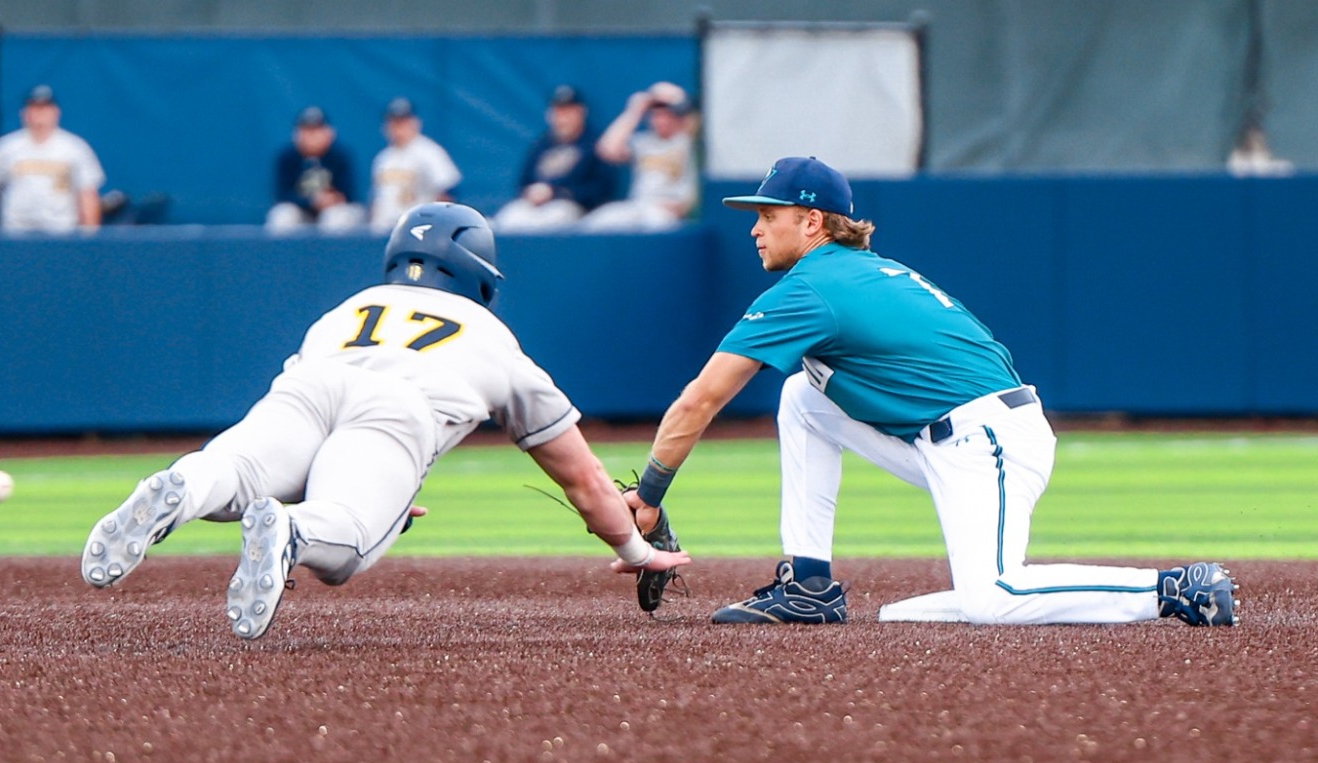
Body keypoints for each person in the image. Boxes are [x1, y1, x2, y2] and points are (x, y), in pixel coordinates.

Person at [623, 156, 1237, 627]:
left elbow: (700, 399)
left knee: (994, 599)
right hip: (956, 437)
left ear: (811, 222)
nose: (754, 229)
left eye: (768, 215)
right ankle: (807, 584)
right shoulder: (862, 271)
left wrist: (648, 495)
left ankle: (1175, 588)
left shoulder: (810, 288)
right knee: (802, 399)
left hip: (988, 439)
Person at [81, 202, 688, 640]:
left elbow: (312, 437)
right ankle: (293, 534)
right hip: (398, 414)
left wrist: (391, 493)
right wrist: (635, 550)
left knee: (234, 472)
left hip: (310, 385)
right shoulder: (495, 339)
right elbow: (583, 481)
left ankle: (183, 486)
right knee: (342, 541)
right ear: (479, 273)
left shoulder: (347, 309)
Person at [0, 85, 104, 234]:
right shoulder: (7, 147)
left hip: (61, 233)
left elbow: (87, 194)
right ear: (25, 113)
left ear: (56, 112)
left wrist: (90, 234)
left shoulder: (75, 148)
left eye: (45, 108)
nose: (40, 114)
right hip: (16, 233)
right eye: (35, 108)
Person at [492, 85, 617, 234]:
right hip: (535, 205)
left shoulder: (595, 143)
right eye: (558, 112)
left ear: (581, 112)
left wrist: (557, 192)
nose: (562, 118)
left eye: (568, 111)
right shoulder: (542, 144)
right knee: (508, 219)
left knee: (549, 221)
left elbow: (600, 189)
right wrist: (531, 193)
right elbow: (523, 182)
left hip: (573, 207)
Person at [582, 81, 700, 232]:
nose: (661, 120)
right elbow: (607, 149)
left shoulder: (687, 140)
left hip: (669, 210)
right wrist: (635, 110)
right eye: (656, 115)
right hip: (639, 206)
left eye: (667, 114)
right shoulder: (643, 143)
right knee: (598, 222)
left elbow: (690, 116)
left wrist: (669, 95)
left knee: (657, 222)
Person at [367, 97, 462, 232]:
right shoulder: (383, 159)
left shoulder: (429, 152)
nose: (398, 128)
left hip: (417, 228)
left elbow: (449, 191)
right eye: (394, 122)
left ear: (415, 123)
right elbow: (376, 199)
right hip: (384, 228)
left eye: (403, 122)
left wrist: (435, 225)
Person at [266, 106, 365, 233]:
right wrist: (311, 201)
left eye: (317, 130)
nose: (312, 136)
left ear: (329, 133)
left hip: (334, 210)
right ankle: (284, 253)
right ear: (297, 134)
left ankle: (335, 253)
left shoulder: (340, 156)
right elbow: (282, 194)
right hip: (302, 211)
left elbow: (350, 193)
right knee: (282, 215)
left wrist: (332, 199)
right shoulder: (287, 157)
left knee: (335, 218)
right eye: (307, 130)